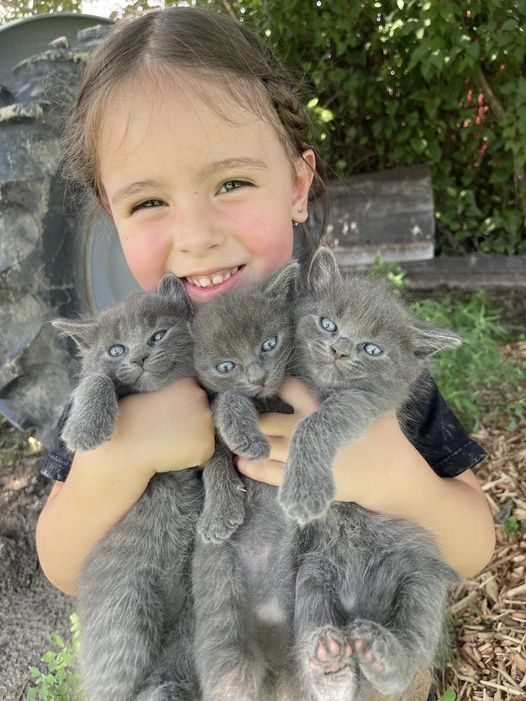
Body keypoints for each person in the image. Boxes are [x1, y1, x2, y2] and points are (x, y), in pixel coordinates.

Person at [35, 7, 495, 700]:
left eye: (231, 183)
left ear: (298, 185)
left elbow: (472, 544)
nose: (195, 235)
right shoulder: (124, 370)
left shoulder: (356, 350)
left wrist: (395, 477)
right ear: (110, 215)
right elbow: (62, 562)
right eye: (149, 201)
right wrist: (120, 455)